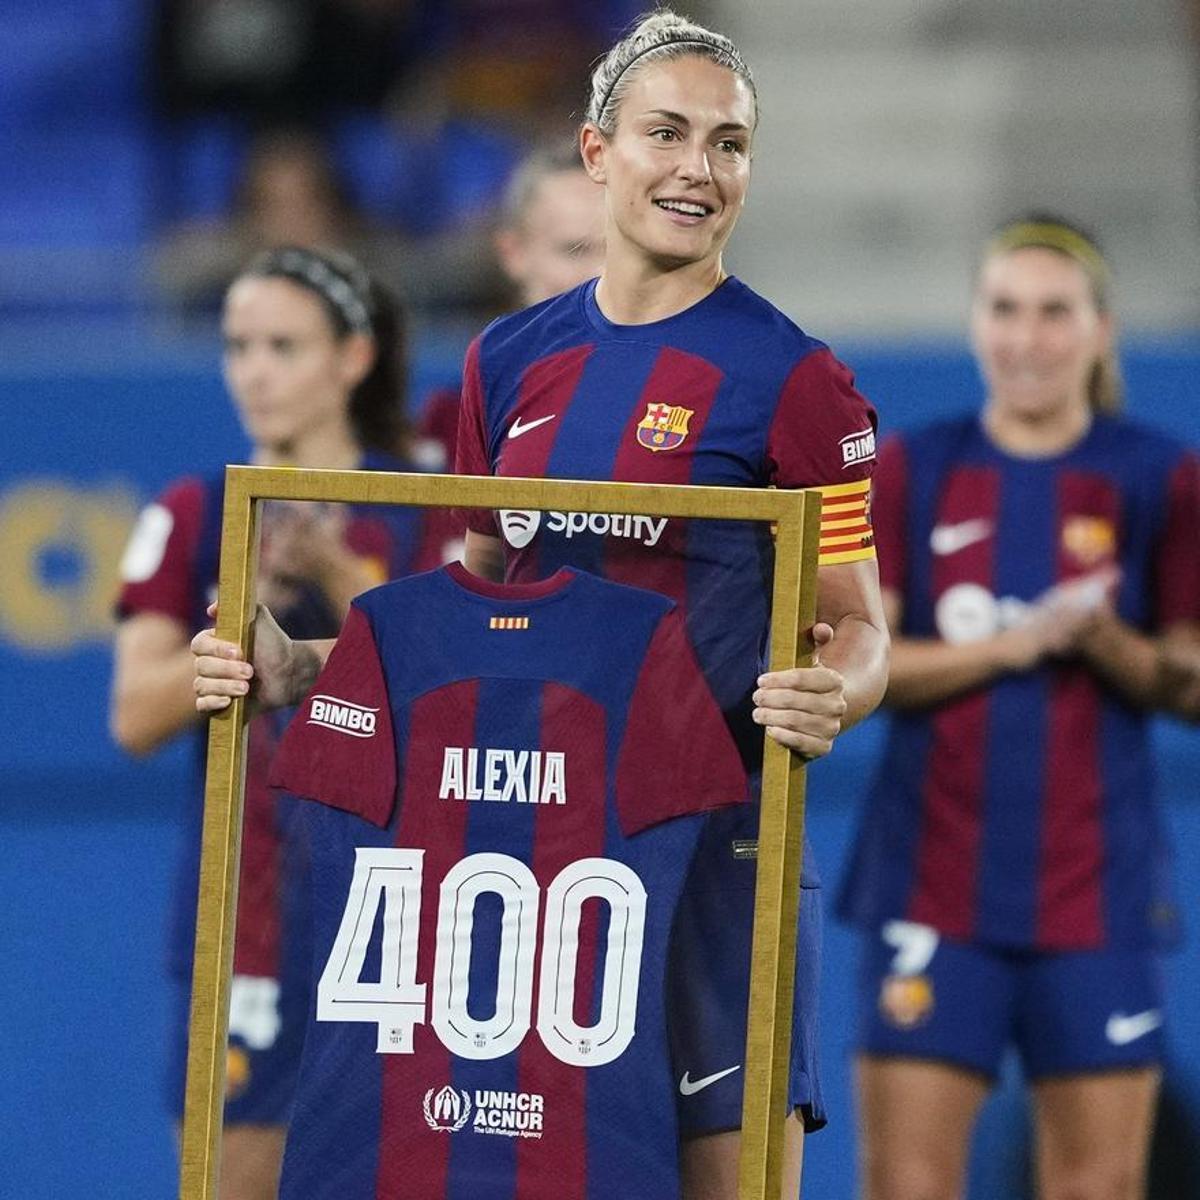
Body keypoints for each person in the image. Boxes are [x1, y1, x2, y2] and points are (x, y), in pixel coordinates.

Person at [193, 11, 889, 1198]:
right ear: (596, 151)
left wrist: (840, 693)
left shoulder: (799, 380)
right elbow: (470, 612)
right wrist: (300, 666)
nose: (697, 169)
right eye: (666, 133)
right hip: (535, 867)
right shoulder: (505, 361)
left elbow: (862, 625)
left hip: (716, 856)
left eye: (728, 144)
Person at [836, 215, 1200, 1200]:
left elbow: (1192, 680)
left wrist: (1108, 642)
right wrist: (1014, 642)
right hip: (932, 884)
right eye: (1004, 310)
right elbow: (863, 668)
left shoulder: (1158, 475)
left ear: (1100, 330)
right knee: (906, 1186)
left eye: (1053, 313)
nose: (1026, 338)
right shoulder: (916, 466)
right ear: (974, 324)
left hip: (1098, 892)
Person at [111, 245, 449, 1200]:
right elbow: (136, 716)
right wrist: (239, 615)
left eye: (283, 346)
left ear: (352, 357)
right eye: (237, 345)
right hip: (248, 917)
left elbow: (463, 685)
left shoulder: (424, 502)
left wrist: (350, 585)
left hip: (409, 913)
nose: (253, 370)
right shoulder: (195, 512)